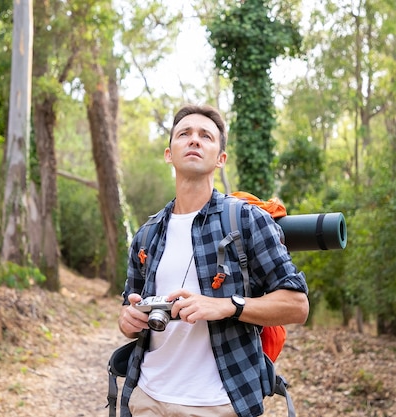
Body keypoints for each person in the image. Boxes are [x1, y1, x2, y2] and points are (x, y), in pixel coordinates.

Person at [117, 104, 309, 417]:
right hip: (146, 399)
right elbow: (128, 310)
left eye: (206, 136)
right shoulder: (147, 234)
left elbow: (298, 306)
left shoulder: (246, 220)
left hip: (217, 403)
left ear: (220, 159)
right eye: (184, 134)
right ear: (169, 153)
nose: (194, 140)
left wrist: (226, 306)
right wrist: (128, 319)